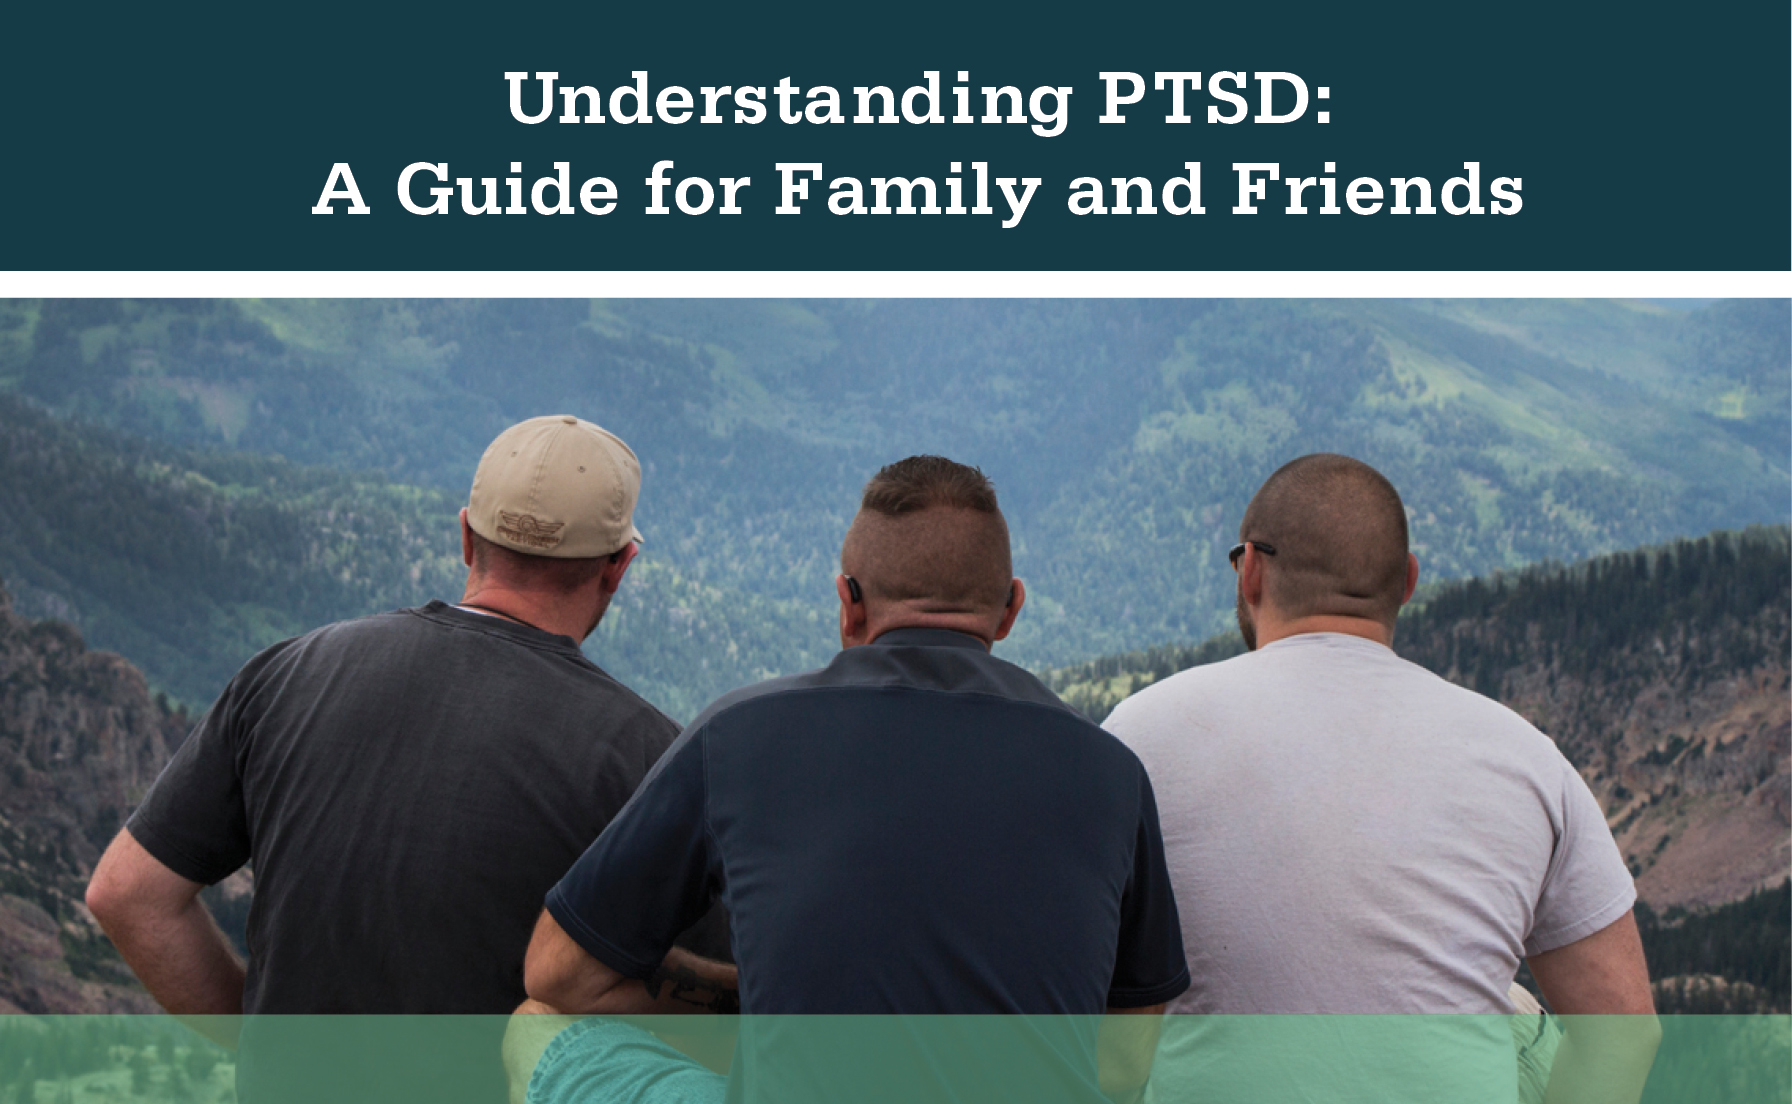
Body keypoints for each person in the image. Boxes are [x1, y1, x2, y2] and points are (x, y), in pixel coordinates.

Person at [85, 415, 726, 1100]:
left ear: (465, 536)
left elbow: (128, 896)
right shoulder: (651, 756)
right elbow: (746, 995)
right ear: (619, 567)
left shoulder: (288, 673)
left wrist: (266, 1048)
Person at [514, 455, 1189, 1104]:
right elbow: (1124, 1064)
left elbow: (561, 974)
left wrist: (753, 998)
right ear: (1010, 611)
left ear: (848, 604)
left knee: (535, 1026)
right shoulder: (1112, 772)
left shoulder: (740, 735)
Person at [1102, 453, 1660, 1104]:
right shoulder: (1524, 755)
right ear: (1408, 582)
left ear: (1250, 570)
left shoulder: (1140, 734)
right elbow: (1624, 1034)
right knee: (1513, 1012)